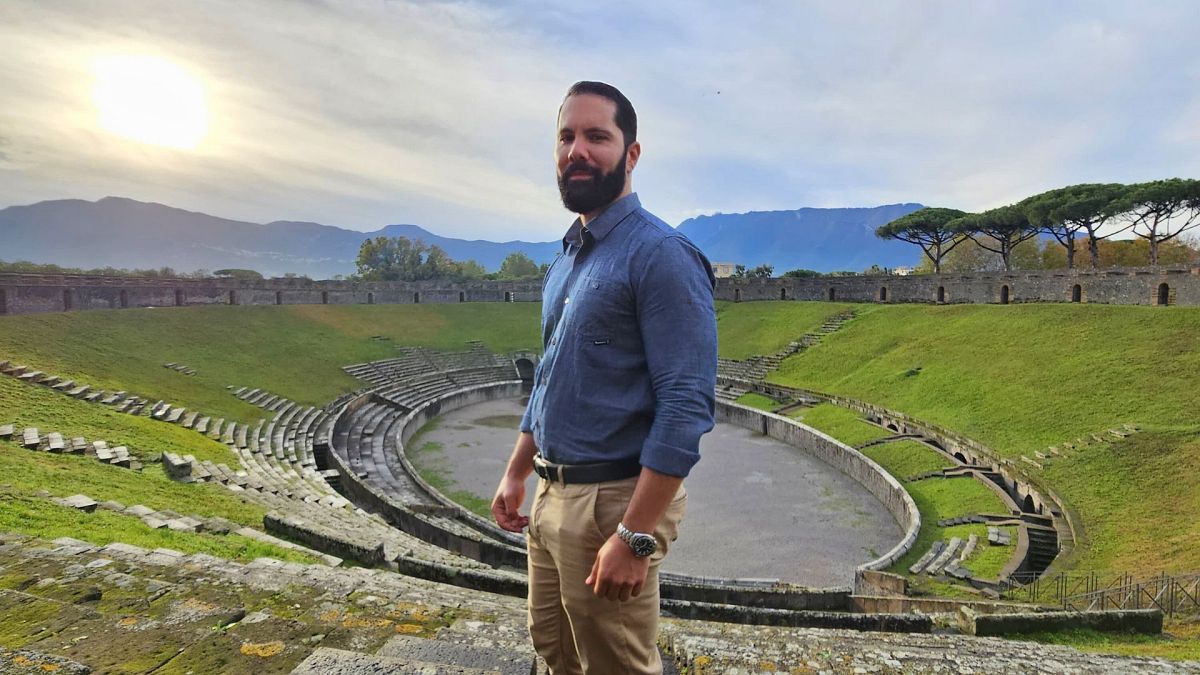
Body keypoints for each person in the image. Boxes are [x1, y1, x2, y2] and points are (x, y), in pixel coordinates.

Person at [491, 80, 717, 675]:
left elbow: (686, 405)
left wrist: (635, 537)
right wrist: (517, 471)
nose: (577, 150)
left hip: (610, 504)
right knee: (555, 652)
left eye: (597, 136)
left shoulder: (661, 254)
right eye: (566, 136)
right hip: (550, 494)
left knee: (616, 667)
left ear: (631, 153)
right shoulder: (567, 258)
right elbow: (548, 379)